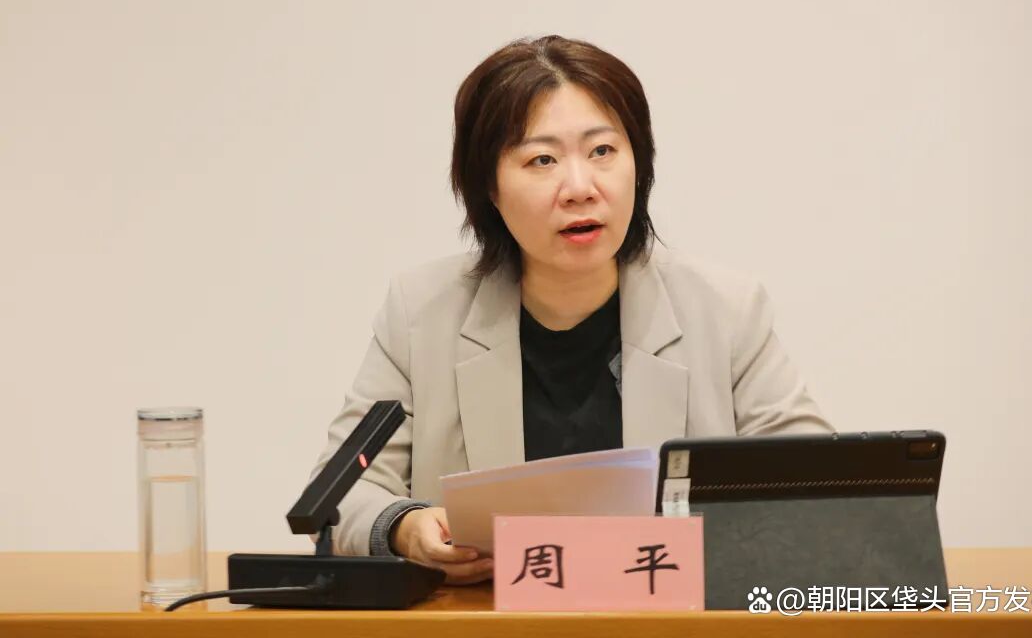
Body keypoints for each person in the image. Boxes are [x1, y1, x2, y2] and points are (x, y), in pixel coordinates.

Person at [309, 35, 833, 584]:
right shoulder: (421, 314)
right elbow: (339, 494)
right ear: (489, 186)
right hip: (487, 619)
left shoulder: (725, 311)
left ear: (639, 164)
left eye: (602, 151)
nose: (580, 188)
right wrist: (403, 527)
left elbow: (821, 486)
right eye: (542, 159)